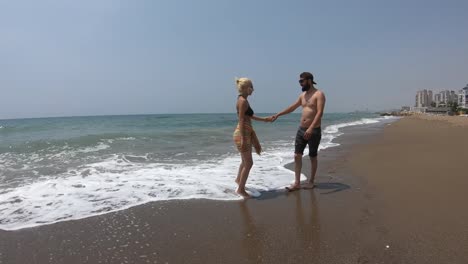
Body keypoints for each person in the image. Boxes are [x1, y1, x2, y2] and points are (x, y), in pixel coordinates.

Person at [272, 72, 326, 191]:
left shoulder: (319, 94)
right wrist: (278, 114)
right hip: (301, 129)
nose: (300, 83)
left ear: (310, 81)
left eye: (302, 81)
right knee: (297, 155)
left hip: (314, 130)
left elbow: (319, 113)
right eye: (299, 81)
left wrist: (311, 128)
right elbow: (292, 107)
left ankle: (311, 181)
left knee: (312, 156)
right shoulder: (302, 95)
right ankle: (297, 183)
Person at [233, 77, 272, 198]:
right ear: (244, 88)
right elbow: (241, 119)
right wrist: (244, 139)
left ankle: (239, 181)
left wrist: (264, 119)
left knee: (244, 162)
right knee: (249, 163)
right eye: (251, 87)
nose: (253, 89)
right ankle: (240, 189)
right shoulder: (243, 101)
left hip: (244, 132)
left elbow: (249, 116)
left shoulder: (243, 100)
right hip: (242, 133)